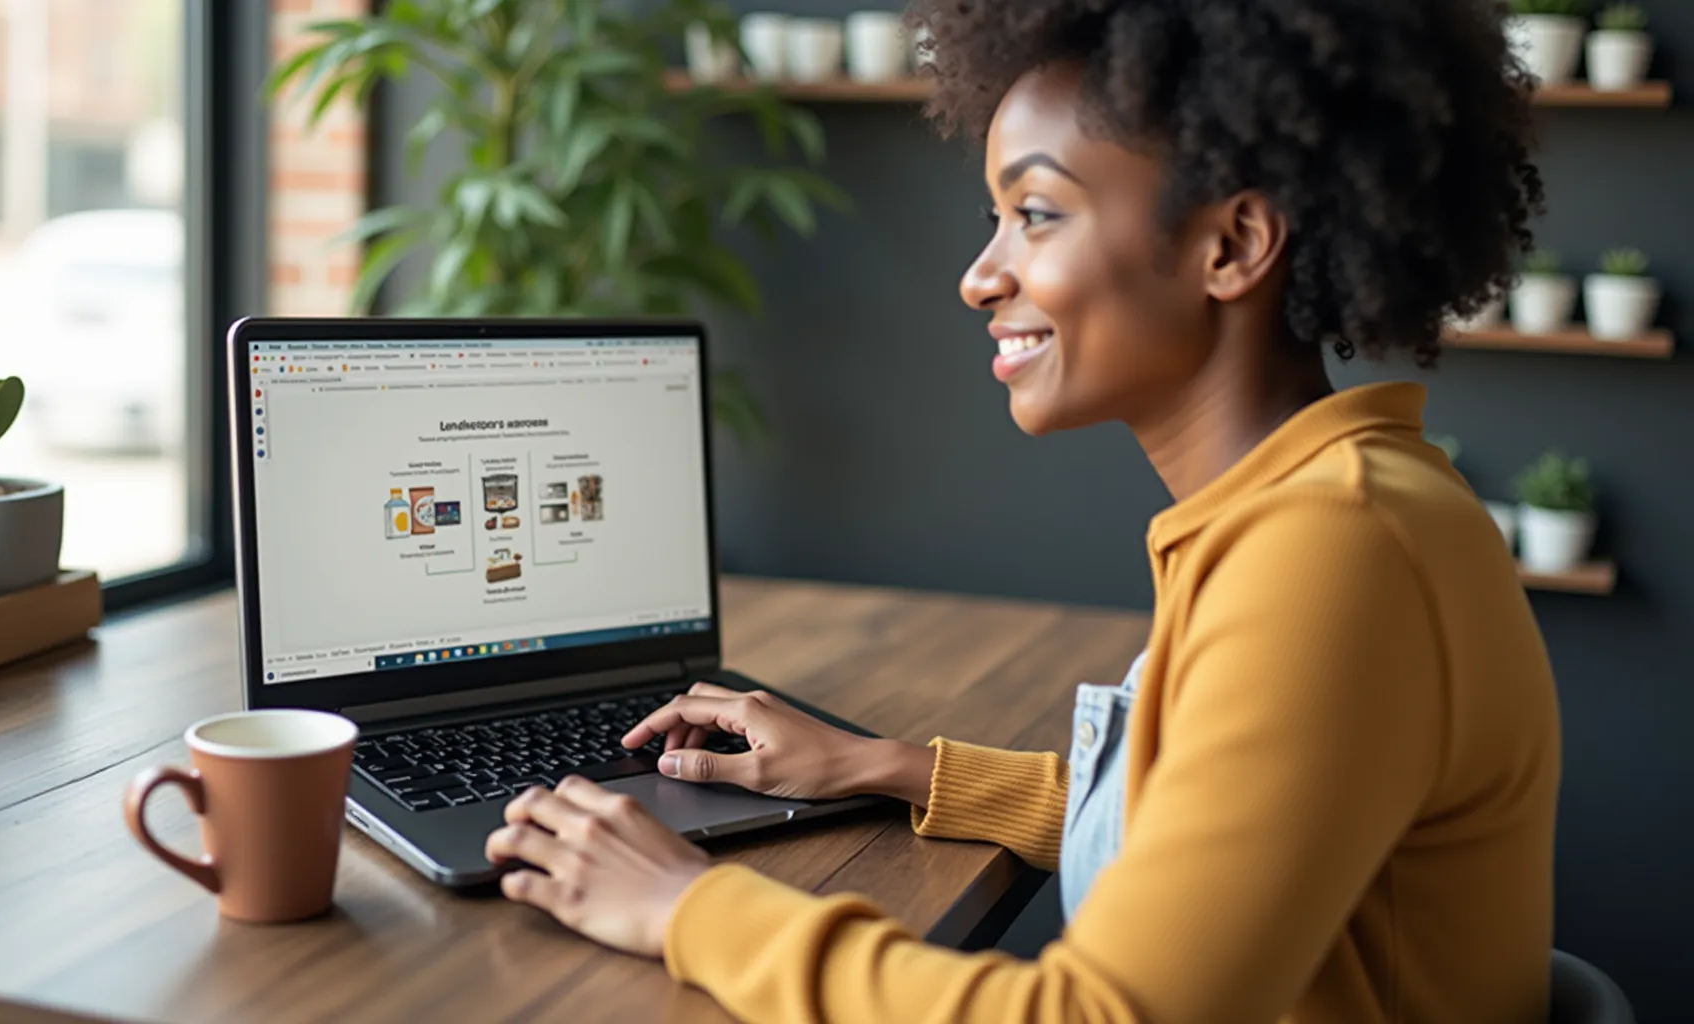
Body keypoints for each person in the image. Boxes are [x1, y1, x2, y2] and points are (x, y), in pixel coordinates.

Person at [482, 0, 1562, 1019]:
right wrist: (877, 765)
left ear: (1230, 245)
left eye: (1034, 214)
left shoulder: (1330, 550)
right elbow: (1185, 833)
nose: (978, 275)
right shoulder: (1324, 506)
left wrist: (685, 906)